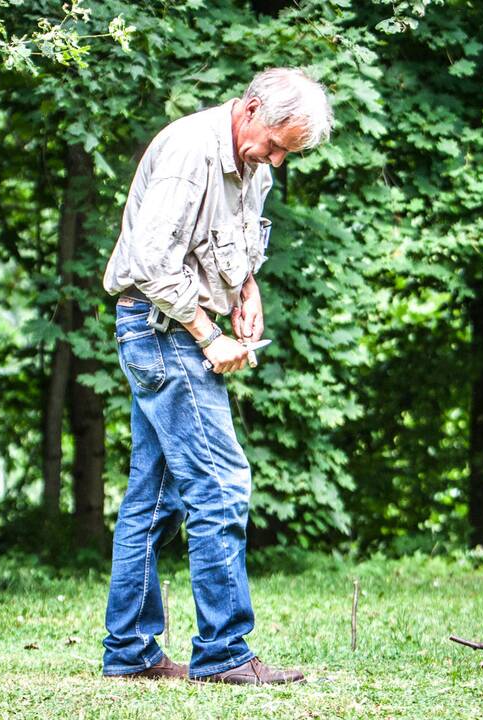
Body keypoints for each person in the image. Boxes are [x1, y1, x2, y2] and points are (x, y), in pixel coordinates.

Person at [100, 68, 333, 684]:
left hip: (176, 326)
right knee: (221, 486)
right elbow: (151, 262)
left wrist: (246, 289)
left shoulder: (252, 166)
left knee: (152, 500)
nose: (278, 162)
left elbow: (235, 245)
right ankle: (225, 653)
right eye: (278, 144)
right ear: (252, 108)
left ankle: (129, 653)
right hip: (162, 328)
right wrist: (210, 335)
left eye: (289, 153)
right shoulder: (188, 151)